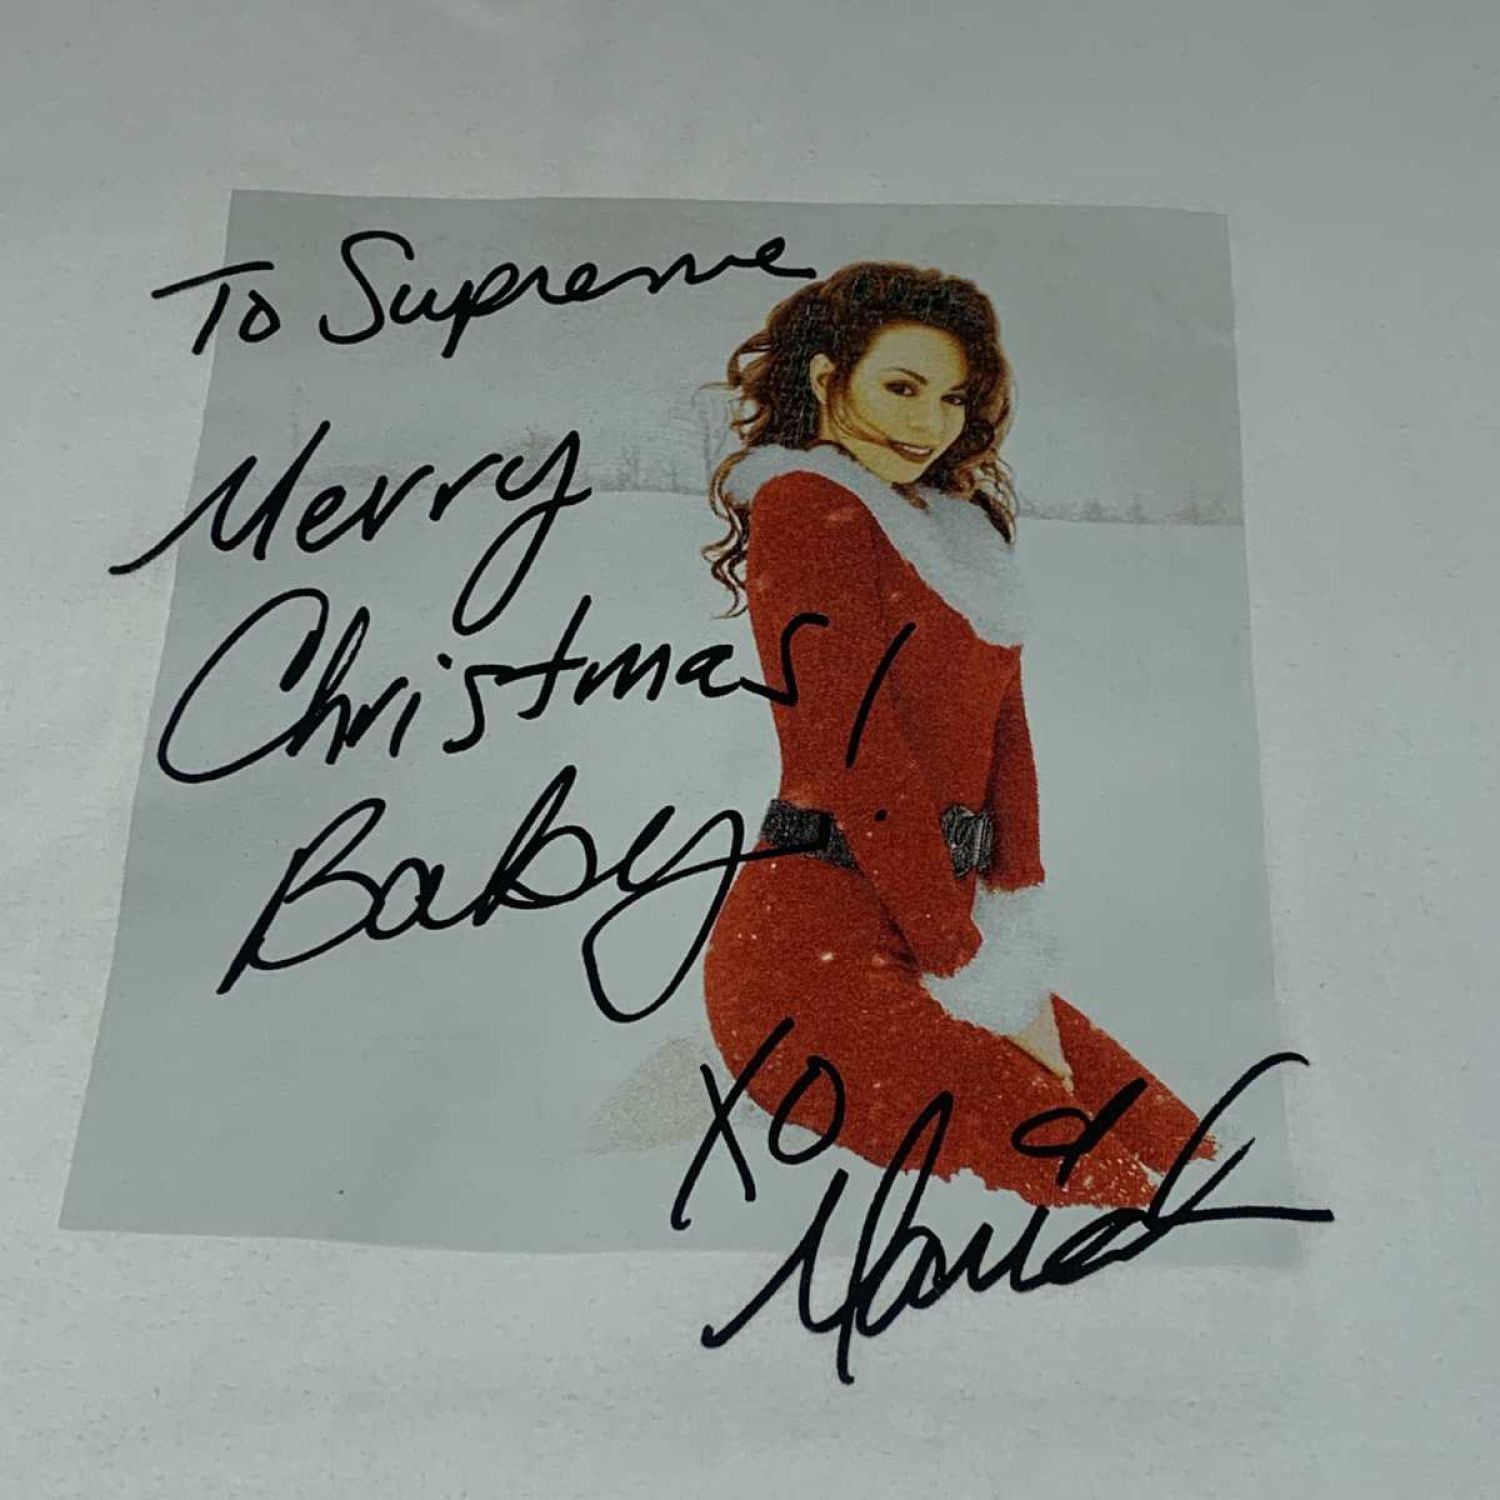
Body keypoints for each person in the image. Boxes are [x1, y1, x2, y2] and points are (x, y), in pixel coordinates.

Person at [700, 261, 1214, 1209]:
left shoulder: (960, 534)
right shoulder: (808, 504)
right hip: (809, 953)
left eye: (952, 397)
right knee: (1100, 1180)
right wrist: (971, 970)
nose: (930, 422)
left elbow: (1006, 739)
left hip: (948, 930)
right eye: (901, 387)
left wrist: (1011, 926)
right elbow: (857, 752)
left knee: (1180, 1146)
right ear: (826, 378)